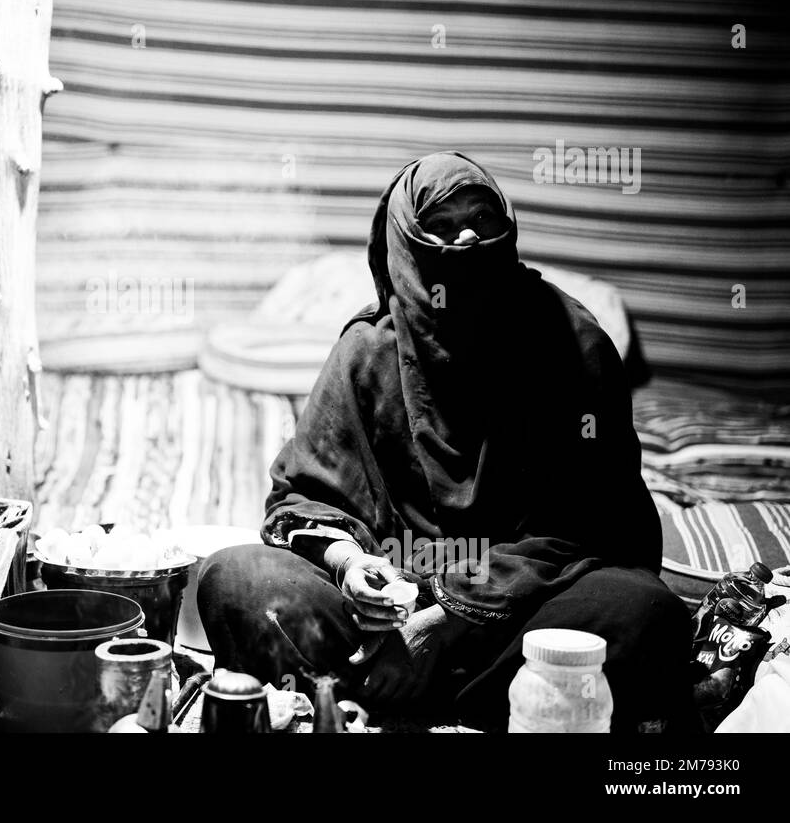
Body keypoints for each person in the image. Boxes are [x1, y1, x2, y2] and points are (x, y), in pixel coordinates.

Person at [197, 152, 696, 732]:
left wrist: (452, 619)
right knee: (238, 578)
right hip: (376, 626)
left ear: (508, 230)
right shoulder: (369, 351)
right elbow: (305, 497)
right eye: (440, 225)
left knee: (642, 610)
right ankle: (370, 699)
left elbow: (589, 530)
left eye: (483, 220)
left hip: (518, 627)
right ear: (406, 246)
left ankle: (381, 707)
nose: (465, 237)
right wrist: (350, 562)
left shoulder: (572, 345)